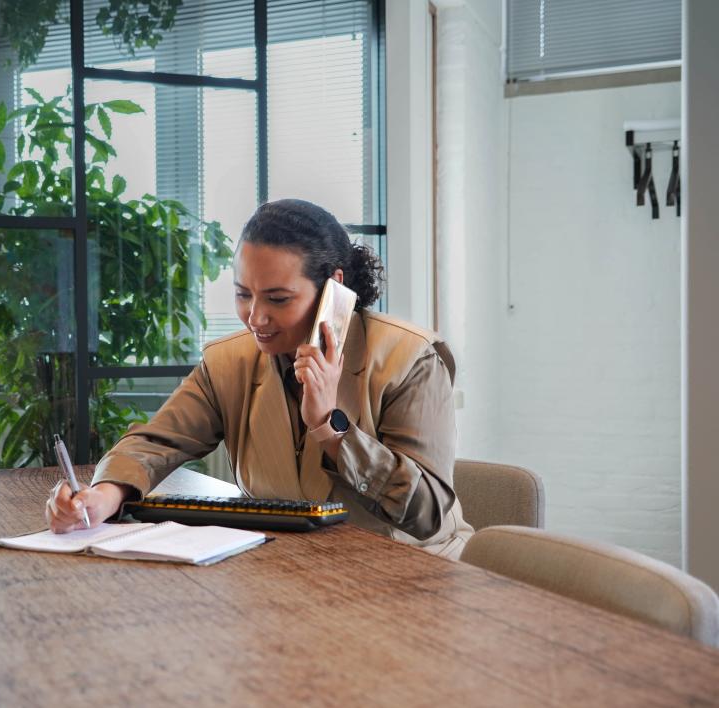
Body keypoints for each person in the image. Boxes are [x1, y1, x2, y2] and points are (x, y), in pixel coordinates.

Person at [47, 198, 473, 557]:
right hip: (293, 570)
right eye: (242, 294)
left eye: (278, 298)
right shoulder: (230, 362)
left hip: (412, 575)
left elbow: (427, 514)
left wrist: (332, 427)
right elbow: (155, 442)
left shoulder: (410, 361)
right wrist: (105, 494)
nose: (255, 318)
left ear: (334, 288)